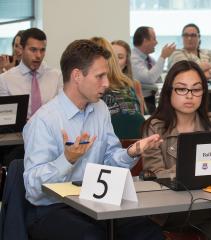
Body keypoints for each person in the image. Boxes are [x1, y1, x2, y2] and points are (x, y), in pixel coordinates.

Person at [23, 39, 164, 240]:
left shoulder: (100, 109)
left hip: (94, 202)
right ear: (77, 76)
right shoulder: (44, 121)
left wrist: (131, 152)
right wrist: (67, 160)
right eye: (100, 76)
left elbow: (109, 161)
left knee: (147, 231)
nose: (107, 83)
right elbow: (33, 189)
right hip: (53, 209)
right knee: (92, 236)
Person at [142, 60, 211, 178]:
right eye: (182, 89)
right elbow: (154, 176)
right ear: (169, 91)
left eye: (196, 89)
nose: (190, 96)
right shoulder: (155, 127)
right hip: (167, 195)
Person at [0, 27, 63, 118]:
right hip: (19, 131)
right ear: (21, 49)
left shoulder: (57, 76)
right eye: (33, 50)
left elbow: (62, 111)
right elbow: (5, 118)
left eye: (42, 50)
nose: (38, 55)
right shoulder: (5, 80)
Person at [131, 26, 176, 114]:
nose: (156, 42)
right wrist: (163, 56)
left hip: (151, 99)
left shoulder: (149, 59)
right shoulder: (132, 59)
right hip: (141, 102)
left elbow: (158, 78)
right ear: (145, 41)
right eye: (154, 39)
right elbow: (150, 78)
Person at [111, 39, 146, 114]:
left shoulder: (135, 84)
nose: (115, 61)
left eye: (120, 57)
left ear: (126, 62)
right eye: (112, 57)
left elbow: (140, 114)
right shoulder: (100, 84)